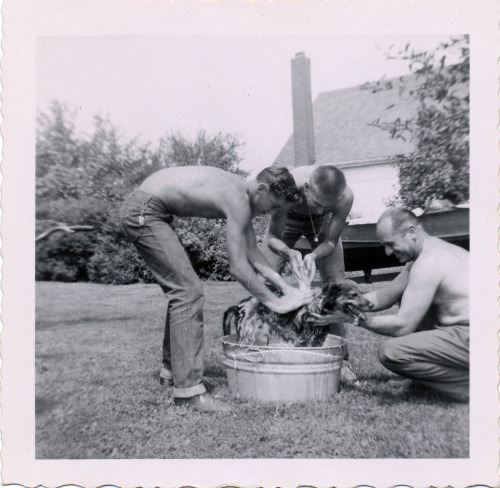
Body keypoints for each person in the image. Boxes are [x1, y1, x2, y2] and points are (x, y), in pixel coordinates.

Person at [120, 165, 314, 412]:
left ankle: (171, 374)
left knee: (185, 291)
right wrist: (276, 303)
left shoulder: (242, 193)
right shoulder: (238, 198)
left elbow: (252, 250)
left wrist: (286, 288)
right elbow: (239, 267)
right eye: (274, 206)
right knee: (187, 292)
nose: (270, 213)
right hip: (145, 211)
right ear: (263, 189)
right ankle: (188, 393)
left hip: (147, 209)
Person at [356, 207, 469, 401]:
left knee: (391, 352)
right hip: (466, 335)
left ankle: (472, 385)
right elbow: (386, 295)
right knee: (405, 296)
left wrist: (358, 320)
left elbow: (403, 326)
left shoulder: (429, 262)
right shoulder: (428, 252)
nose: (387, 252)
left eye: (390, 244)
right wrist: (342, 302)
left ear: (411, 232)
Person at [261, 164, 356, 380]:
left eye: (328, 206)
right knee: (265, 279)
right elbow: (273, 237)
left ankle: (341, 361)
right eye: (317, 203)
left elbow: (331, 242)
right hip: (289, 215)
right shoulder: (288, 186)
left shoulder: (345, 197)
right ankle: (260, 351)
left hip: (321, 226)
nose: (322, 210)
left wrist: (313, 256)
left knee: (336, 286)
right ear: (305, 188)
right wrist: (288, 252)